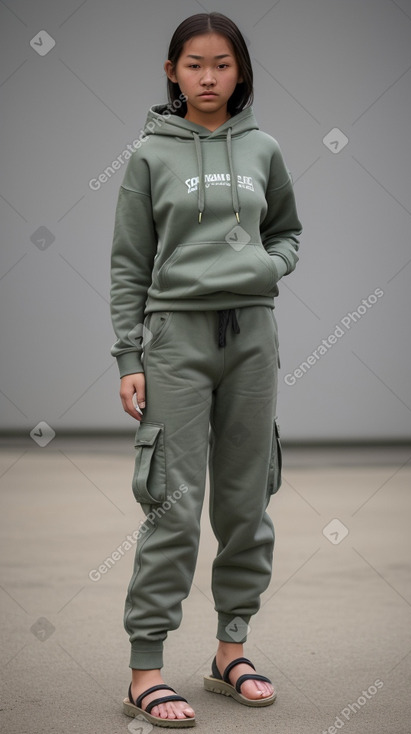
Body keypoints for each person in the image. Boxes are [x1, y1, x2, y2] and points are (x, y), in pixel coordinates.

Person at [110, 11, 302, 728]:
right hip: (175, 340)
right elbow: (129, 264)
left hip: (252, 334)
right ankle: (145, 670)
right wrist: (129, 356)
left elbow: (286, 229)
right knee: (172, 502)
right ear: (172, 72)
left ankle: (230, 651)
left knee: (247, 500)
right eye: (194, 64)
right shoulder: (147, 156)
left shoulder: (264, 149)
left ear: (240, 72)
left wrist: (266, 264)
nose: (209, 78)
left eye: (222, 65)